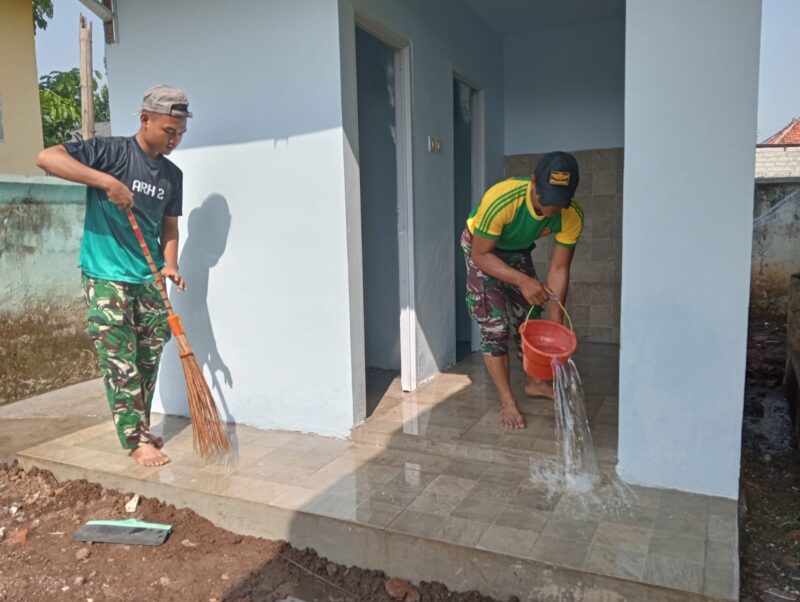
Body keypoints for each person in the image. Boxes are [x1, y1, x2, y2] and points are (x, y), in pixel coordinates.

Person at [36, 85, 192, 466]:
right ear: (145, 119)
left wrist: (170, 264)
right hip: (106, 274)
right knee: (119, 358)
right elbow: (47, 157)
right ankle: (135, 439)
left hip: (148, 276)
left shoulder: (172, 175)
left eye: (180, 133)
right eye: (169, 131)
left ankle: (139, 426)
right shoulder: (112, 153)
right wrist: (106, 182)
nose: (174, 140)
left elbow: (169, 227)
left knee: (148, 356)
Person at [461, 151, 583, 430]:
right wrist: (522, 281)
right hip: (482, 248)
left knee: (530, 316)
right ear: (533, 182)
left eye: (559, 202)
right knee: (495, 325)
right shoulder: (503, 199)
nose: (551, 207)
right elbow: (481, 255)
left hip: (517, 250)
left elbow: (559, 269)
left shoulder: (572, 215)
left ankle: (534, 382)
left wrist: (556, 326)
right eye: (545, 198)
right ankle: (507, 400)